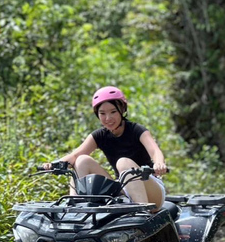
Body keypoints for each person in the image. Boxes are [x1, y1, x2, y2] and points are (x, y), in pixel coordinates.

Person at [39, 86, 168, 210]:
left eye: (113, 112)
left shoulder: (136, 130)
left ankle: (141, 212)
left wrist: (159, 163)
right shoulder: (100, 135)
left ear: (122, 110)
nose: (108, 118)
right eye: (102, 113)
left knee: (123, 162)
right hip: (124, 189)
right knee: (81, 160)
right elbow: (74, 155)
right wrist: (53, 164)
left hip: (151, 191)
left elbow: (155, 151)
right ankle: (76, 206)